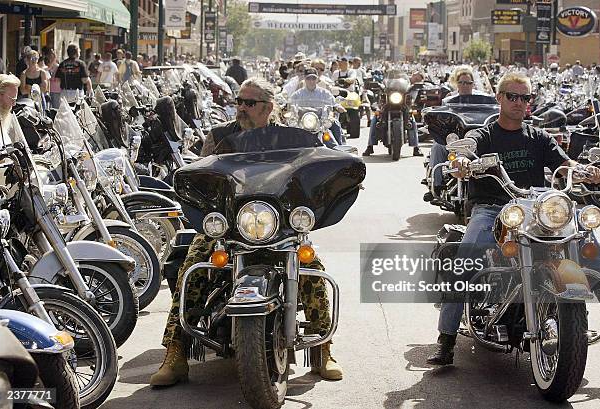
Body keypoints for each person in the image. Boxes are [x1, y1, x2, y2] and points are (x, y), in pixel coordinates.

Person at [150, 77, 343, 387]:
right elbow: (203, 174)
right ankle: (175, 353)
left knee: (311, 266)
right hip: (229, 225)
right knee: (194, 267)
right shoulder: (221, 136)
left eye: (249, 103)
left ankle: (323, 349)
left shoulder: (290, 137)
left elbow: (315, 165)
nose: (241, 107)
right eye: (239, 101)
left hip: (278, 223)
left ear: (268, 107)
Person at [427, 72, 600, 366]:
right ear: (499, 98)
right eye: (512, 96)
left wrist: (584, 170)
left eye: (525, 98)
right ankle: (446, 338)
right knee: (466, 258)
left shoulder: (538, 136)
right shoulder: (485, 134)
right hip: (492, 206)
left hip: (535, 206)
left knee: (584, 234)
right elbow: (468, 146)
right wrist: (461, 161)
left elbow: (564, 162)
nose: (519, 103)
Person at [423, 65, 481, 202]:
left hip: (474, 138)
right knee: (438, 146)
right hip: (454, 138)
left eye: (468, 83)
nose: (464, 85)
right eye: (461, 82)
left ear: (473, 84)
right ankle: (436, 186)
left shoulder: (481, 99)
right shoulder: (450, 98)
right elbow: (442, 115)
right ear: (456, 83)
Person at [363, 71, 423, 157]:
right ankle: (370, 146)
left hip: (403, 105)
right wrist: (378, 85)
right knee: (375, 120)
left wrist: (413, 88)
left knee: (411, 121)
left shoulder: (408, 86)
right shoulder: (389, 85)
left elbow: (412, 98)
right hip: (388, 104)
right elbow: (381, 91)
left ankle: (416, 147)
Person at [290, 67, 345, 145]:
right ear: (304, 79)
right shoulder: (297, 94)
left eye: (313, 78)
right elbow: (289, 104)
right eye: (308, 78)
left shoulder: (325, 93)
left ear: (317, 79)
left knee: (335, 123)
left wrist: (338, 106)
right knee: (288, 126)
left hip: (321, 123)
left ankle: (339, 148)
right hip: (302, 124)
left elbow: (334, 103)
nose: (311, 81)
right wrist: (284, 107)